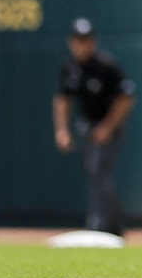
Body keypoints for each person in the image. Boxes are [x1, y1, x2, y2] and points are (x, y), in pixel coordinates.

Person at [54, 18, 136, 237]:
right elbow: (63, 100)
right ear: (71, 42)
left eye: (87, 40)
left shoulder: (106, 66)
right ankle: (113, 225)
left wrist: (108, 127)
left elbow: (126, 99)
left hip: (111, 127)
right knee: (95, 172)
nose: (83, 45)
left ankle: (101, 223)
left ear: (94, 41)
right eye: (79, 40)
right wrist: (62, 130)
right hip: (88, 127)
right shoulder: (70, 68)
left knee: (98, 170)